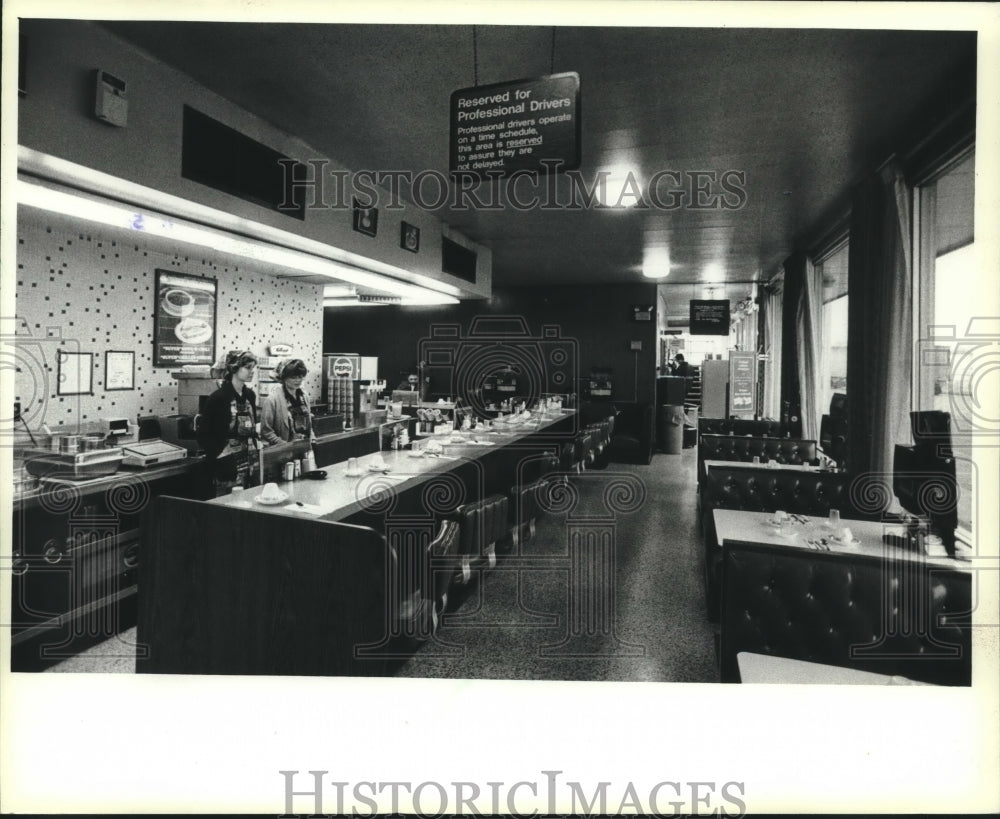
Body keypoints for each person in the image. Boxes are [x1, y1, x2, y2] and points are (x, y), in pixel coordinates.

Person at [198, 350, 260, 495]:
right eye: (248, 368)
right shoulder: (218, 397)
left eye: (253, 368)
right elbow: (203, 435)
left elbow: (253, 426)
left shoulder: (250, 395)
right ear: (234, 368)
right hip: (227, 464)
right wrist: (220, 456)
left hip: (250, 459)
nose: (252, 372)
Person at [260, 358, 313, 445]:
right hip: (282, 451)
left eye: (300, 376)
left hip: (303, 447)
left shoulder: (304, 396)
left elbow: (309, 425)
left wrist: (312, 439)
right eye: (293, 377)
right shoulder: (272, 400)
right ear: (283, 378)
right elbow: (266, 431)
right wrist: (285, 445)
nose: (297, 380)